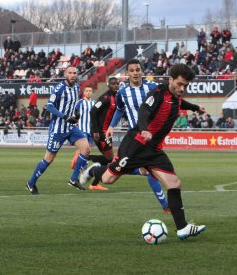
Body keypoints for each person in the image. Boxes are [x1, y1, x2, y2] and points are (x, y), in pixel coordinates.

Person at [81, 64, 206, 239]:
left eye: (185, 85)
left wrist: (195, 108)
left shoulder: (175, 96)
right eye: (179, 84)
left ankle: (182, 227)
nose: (182, 89)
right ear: (170, 80)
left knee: (174, 183)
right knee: (109, 178)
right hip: (136, 145)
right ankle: (94, 169)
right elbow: (144, 110)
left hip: (154, 150)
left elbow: (180, 103)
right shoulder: (158, 92)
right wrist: (144, 128)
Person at [86, 59, 169, 212]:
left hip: (152, 137)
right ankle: (166, 206)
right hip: (135, 138)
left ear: (142, 71)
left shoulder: (153, 88)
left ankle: (96, 170)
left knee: (145, 170)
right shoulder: (123, 92)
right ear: (127, 74)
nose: (135, 73)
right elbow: (119, 109)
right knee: (146, 170)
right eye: (132, 70)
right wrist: (111, 126)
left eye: (138, 70)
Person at [25, 66, 90, 195]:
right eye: (70, 73)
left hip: (71, 127)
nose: (72, 75)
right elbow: (49, 106)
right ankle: (31, 183)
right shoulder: (59, 88)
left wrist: (76, 114)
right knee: (48, 159)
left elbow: (74, 104)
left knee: (86, 148)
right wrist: (65, 116)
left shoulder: (77, 87)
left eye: (74, 73)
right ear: (65, 74)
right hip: (58, 129)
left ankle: (73, 179)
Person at [87, 77, 120, 167]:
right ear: (108, 85)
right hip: (101, 132)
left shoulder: (116, 97)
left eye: (117, 83)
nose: (116, 85)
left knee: (108, 159)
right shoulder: (105, 97)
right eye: (113, 84)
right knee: (110, 159)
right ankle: (84, 157)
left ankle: (95, 177)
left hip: (107, 132)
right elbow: (93, 111)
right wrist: (96, 131)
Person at [70, 86, 96, 169]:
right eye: (87, 91)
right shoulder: (80, 102)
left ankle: (81, 163)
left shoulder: (94, 103)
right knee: (85, 148)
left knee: (89, 150)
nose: (88, 92)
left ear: (92, 93)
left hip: (91, 130)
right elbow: (74, 114)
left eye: (90, 91)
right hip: (82, 130)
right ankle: (82, 166)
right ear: (84, 93)